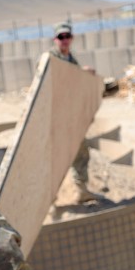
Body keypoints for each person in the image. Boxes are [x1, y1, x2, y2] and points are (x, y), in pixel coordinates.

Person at [49, 21, 97, 202]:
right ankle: (49, 198)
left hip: (72, 117)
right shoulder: (51, 58)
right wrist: (79, 73)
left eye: (67, 36)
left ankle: (81, 190)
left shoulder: (70, 58)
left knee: (81, 154)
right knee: (58, 158)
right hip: (57, 118)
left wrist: (84, 75)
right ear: (55, 39)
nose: (64, 40)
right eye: (61, 37)